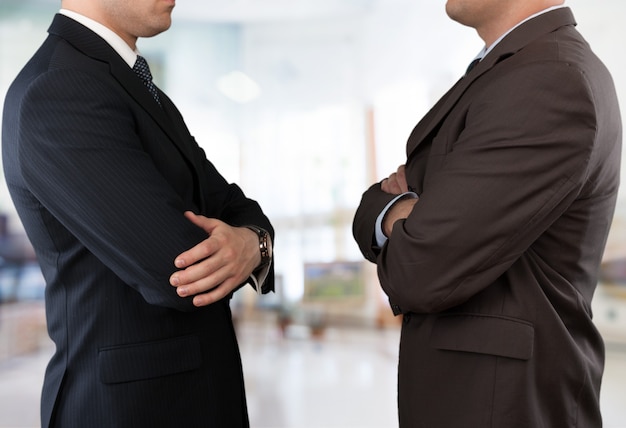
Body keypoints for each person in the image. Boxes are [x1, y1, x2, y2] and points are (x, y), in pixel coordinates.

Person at [2, 0, 274, 427]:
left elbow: (234, 205)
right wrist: (244, 243)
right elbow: (179, 269)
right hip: (130, 410)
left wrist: (252, 242)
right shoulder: (59, 89)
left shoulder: (131, 84)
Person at [353, 1, 621, 427]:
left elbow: (420, 267)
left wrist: (397, 215)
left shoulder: (549, 79)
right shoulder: (513, 70)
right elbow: (377, 207)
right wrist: (401, 213)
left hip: (502, 405)